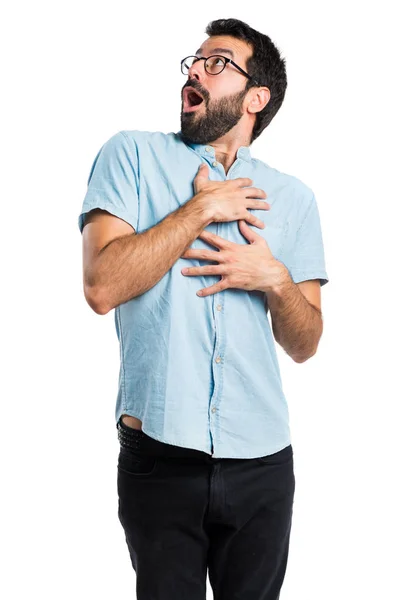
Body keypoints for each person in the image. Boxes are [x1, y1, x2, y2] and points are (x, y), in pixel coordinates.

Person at [78, 17, 329, 600]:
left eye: (217, 62)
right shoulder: (131, 155)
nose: (194, 70)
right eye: (194, 60)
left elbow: (306, 341)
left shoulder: (293, 198)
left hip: (263, 460)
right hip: (161, 456)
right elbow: (100, 287)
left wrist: (275, 279)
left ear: (256, 98)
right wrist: (199, 210)